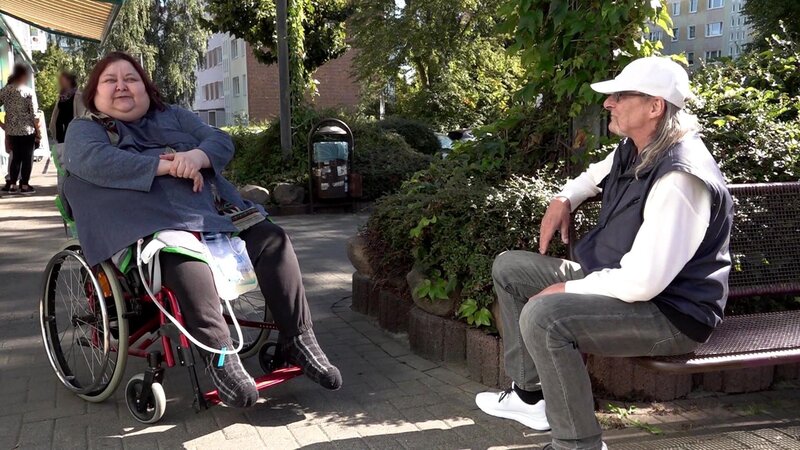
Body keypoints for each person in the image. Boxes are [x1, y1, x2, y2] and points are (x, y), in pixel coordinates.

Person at [475, 57, 733, 450]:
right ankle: (530, 398)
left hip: (670, 314)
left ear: (655, 106)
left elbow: (643, 283)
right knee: (510, 268)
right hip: (622, 284)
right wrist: (564, 198)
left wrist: (566, 289)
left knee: (545, 317)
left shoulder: (680, 178)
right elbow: (591, 177)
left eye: (620, 95)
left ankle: (578, 445)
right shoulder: (637, 148)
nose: (608, 103)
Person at [63, 52, 342, 408]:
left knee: (272, 240)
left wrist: (196, 157)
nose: (121, 86)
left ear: (146, 88)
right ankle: (221, 358)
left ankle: (299, 339)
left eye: (131, 79)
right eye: (110, 80)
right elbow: (92, 161)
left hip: (212, 212)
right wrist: (166, 167)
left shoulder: (173, 115)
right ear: (94, 93)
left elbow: (220, 140)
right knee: (184, 259)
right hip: (147, 224)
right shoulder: (85, 129)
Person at [0, 64, 40, 194]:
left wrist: (1, 124)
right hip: (27, 130)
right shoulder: (28, 91)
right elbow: (34, 114)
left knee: (16, 157)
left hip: (11, 130)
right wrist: (38, 132)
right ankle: (24, 186)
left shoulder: (5, 91)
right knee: (27, 158)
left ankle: (12, 185)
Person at [49, 71, 85, 192]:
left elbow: (82, 115)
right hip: (61, 137)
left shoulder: (79, 96)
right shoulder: (61, 97)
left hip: (74, 136)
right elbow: (56, 116)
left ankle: (73, 189)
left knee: (72, 165)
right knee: (62, 166)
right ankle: (62, 191)